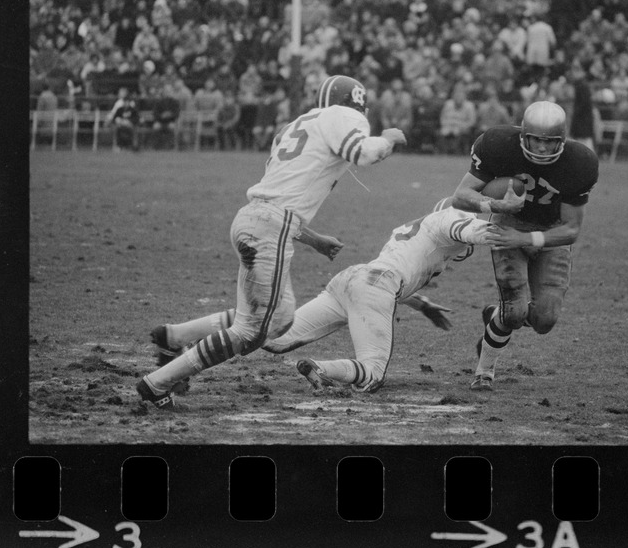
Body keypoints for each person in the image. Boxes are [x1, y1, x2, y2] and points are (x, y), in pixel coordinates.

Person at [136, 75, 407, 409]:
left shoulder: (297, 124)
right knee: (250, 333)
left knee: (279, 318)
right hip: (271, 229)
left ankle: (174, 339)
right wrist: (389, 139)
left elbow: (278, 194)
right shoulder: (343, 115)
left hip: (254, 220)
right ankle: (158, 383)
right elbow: (363, 153)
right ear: (356, 103)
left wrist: (314, 239)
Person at [260, 198, 505, 392]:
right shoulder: (452, 216)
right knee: (372, 374)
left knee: (274, 338)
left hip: (352, 278)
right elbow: (471, 230)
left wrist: (422, 304)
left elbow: (389, 274)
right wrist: (529, 236)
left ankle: (231, 325)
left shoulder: (415, 230)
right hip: (375, 287)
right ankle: (320, 368)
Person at [451, 101, 599, 392]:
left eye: (550, 141)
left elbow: (571, 229)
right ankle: (484, 372)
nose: (542, 148)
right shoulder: (498, 144)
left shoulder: (580, 162)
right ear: (523, 136)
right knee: (515, 314)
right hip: (509, 225)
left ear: (562, 140)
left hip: (550, 232)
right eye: (536, 140)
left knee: (545, 319)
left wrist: (528, 240)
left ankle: (497, 315)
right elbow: (460, 196)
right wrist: (493, 204)